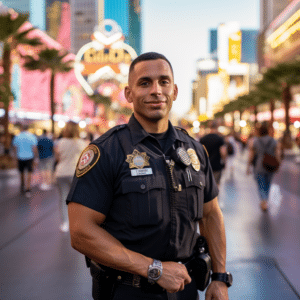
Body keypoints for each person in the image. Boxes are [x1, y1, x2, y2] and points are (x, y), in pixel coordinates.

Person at [67, 52, 231, 300]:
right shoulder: (106, 151)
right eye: (145, 83)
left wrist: (219, 277)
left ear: (174, 91)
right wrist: (153, 269)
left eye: (164, 82)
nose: (156, 90)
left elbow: (210, 215)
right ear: (128, 94)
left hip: (185, 291)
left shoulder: (194, 151)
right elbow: (81, 232)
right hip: (127, 292)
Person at [54, 121, 88, 232]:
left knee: (64, 198)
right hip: (76, 172)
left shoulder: (61, 142)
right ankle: (78, 222)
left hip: (61, 172)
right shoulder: (81, 143)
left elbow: (57, 158)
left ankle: (65, 223)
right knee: (78, 199)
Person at [246, 123, 281, 212]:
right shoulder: (273, 140)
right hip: (270, 165)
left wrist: (248, 166)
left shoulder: (256, 141)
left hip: (259, 165)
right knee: (268, 184)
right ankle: (265, 200)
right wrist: (278, 164)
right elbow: (277, 153)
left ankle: (264, 201)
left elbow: (251, 155)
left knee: (261, 184)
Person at [12, 124, 38, 197]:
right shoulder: (32, 136)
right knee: (29, 172)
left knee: (21, 172)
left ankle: (22, 185)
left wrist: (15, 157)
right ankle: (28, 188)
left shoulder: (17, 136)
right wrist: (36, 158)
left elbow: (15, 148)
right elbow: (34, 148)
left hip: (20, 157)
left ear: (22, 128)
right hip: (30, 157)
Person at [200, 121, 227, 186]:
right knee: (216, 184)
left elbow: (200, 153)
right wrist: (224, 162)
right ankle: (216, 196)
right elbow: (223, 152)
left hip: (205, 166)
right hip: (217, 166)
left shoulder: (203, 139)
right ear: (217, 127)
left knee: (207, 185)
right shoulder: (220, 139)